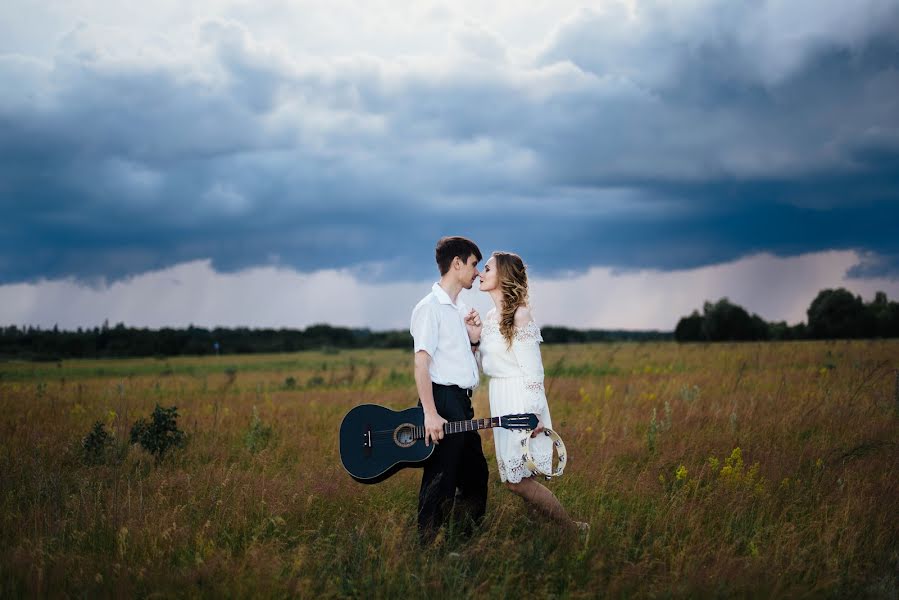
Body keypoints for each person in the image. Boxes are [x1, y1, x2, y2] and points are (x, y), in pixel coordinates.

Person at [476, 251, 587, 533]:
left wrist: (534, 413)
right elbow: (486, 367)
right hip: (501, 398)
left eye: (486, 268)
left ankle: (573, 529)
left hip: (521, 402)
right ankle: (544, 534)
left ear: (501, 275)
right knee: (517, 479)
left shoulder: (520, 314)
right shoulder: (489, 317)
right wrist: (473, 339)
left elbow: (534, 372)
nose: (480, 272)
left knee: (517, 481)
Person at [410, 236, 488, 544]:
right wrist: (430, 412)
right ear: (456, 264)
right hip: (441, 400)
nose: (478, 272)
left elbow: (462, 360)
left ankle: (459, 542)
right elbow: (421, 364)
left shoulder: (461, 309)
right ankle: (428, 547)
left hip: (461, 401)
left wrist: (474, 340)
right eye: (473, 264)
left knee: (475, 475)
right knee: (440, 477)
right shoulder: (429, 308)